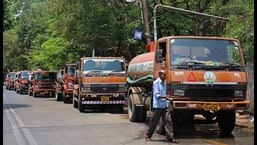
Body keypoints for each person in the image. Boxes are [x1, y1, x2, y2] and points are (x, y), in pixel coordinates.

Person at [144, 69, 178, 143]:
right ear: (160, 75)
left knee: (168, 121)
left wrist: (169, 98)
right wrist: (165, 97)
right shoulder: (156, 83)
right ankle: (148, 135)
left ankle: (170, 138)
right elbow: (157, 95)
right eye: (164, 75)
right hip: (158, 106)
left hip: (164, 105)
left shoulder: (165, 83)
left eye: (166, 75)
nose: (165, 76)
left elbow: (166, 93)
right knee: (154, 121)